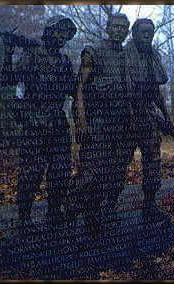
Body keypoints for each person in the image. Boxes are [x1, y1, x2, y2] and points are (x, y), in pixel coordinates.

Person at [0, 15, 77, 230]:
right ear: (48, 32)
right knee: (31, 173)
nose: (62, 37)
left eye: (65, 33)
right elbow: (8, 79)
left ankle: (54, 213)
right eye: (58, 31)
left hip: (58, 123)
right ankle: (24, 219)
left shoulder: (64, 61)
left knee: (60, 171)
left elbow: (73, 89)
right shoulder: (32, 55)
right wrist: (8, 52)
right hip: (34, 123)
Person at [71, 13, 136, 237]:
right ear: (108, 27)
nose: (119, 30)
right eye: (115, 26)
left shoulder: (129, 55)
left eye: (123, 27)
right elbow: (79, 88)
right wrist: (81, 122)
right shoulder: (94, 51)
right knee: (91, 174)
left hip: (124, 126)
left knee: (116, 173)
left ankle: (104, 213)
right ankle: (77, 215)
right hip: (99, 124)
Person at [124, 18, 174, 217]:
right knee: (119, 163)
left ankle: (150, 204)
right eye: (143, 31)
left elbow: (156, 91)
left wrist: (166, 118)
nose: (147, 35)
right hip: (126, 116)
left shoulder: (153, 55)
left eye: (150, 32)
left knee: (153, 161)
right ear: (134, 33)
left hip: (148, 116)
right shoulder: (124, 54)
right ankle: (106, 207)